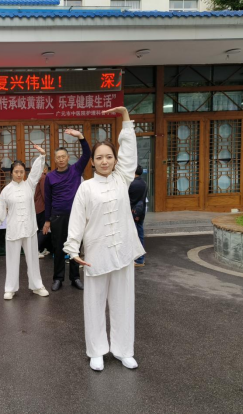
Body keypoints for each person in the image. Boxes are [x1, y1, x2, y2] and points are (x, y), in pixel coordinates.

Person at [64, 107, 145, 372]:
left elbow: (129, 152)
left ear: (115, 160)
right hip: (96, 255)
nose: (104, 161)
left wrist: (125, 117)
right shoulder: (86, 188)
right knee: (94, 304)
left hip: (122, 253)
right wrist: (73, 249)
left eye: (109, 157)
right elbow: (77, 220)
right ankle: (97, 350)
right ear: (92, 162)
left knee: (123, 304)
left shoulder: (122, 179)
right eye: (99, 157)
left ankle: (124, 350)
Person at [0, 146, 50, 300]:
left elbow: (36, 172)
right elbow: (1, 209)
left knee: (33, 259)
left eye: (21, 172)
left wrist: (42, 156)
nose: (19, 174)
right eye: (16, 171)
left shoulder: (29, 185)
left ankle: (37, 286)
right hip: (14, 229)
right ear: (11, 173)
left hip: (29, 228)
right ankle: (10, 288)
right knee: (12, 260)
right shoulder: (6, 190)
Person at [43, 129, 90, 291]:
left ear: (68, 158)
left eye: (63, 156)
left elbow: (87, 154)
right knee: (58, 248)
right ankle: (58, 278)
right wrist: (47, 220)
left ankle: (75, 277)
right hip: (57, 216)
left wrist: (81, 137)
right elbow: (48, 199)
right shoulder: (50, 177)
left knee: (75, 246)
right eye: (58, 157)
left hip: (76, 216)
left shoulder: (76, 170)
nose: (61, 159)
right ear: (55, 160)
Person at [129, 165, 148, 267]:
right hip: (140, 212)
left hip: (133, 212)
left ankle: (139, 259)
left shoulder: (132, 184)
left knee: (135, 236)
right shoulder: (143, 182)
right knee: (139, 234)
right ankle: (140, 258)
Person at [34, 162, 51, 258]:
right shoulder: (43, 177)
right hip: (42, 207)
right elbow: (45, 194)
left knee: (40, 229)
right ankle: (35, 250)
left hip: (36, 207)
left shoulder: (36, 177)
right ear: (44, 169)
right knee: (44, 229)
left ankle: (41, 249)